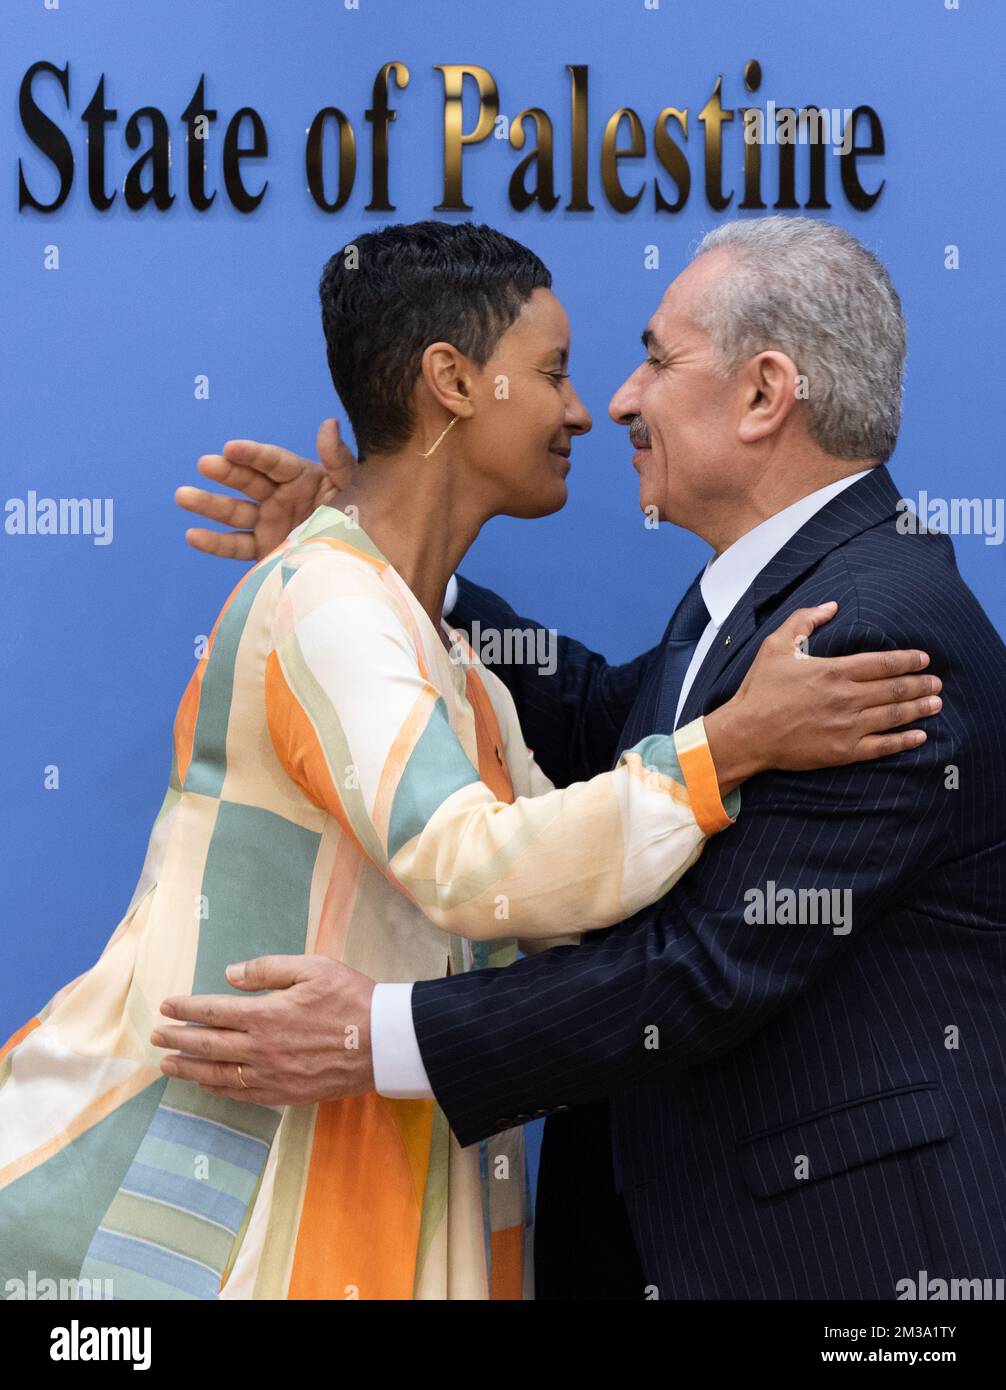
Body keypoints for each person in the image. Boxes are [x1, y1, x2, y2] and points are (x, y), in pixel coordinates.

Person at [164, 216, 1005, 1301]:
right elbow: (611, 714)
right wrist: (394, 564)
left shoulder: (867, 632)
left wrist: (371, 1036)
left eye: (655, 358)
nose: (611, 402)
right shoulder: (786, 594)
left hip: (847, 1260)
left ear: (762, 394)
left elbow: (699, 970)